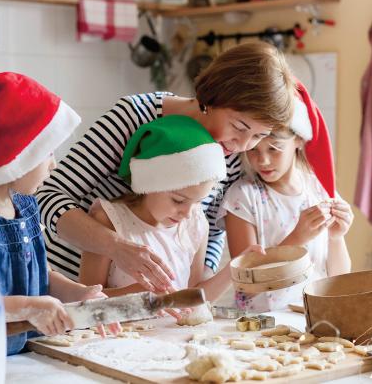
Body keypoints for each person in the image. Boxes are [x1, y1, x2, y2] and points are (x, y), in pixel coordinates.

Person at [36, 42, 298, 292]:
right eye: (240, 127)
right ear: (213, 96)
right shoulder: (133, 117)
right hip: (64, 283)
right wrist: (116, 247)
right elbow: (48, 197)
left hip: (148, 306)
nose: (243, 145)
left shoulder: (231, 154)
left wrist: (195, 286)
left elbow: (211, 229)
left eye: (258, 136)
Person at [0, 72, 119, 355]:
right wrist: (30, 307)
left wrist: (79, 295)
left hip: (22, 358)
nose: (53, 165)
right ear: (16, 154)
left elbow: (43, 275)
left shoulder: (26, 206)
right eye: (47, 153)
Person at [79, 116, 263, 306]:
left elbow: (193, 298)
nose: (187, 213)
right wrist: (139, 297)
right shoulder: (108, 222)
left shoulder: (196, 224)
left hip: (173, 335)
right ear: (150, 184)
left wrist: (234, 270)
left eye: (198, 201)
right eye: (178, 200)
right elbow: (84, 302)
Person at [217, 83, 353, 313]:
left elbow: (339, 279)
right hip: (261, 324)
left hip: (314, 317)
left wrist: (337, 238)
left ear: (298, 141)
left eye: (274, 149)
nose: (263, 161)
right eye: (254, 150)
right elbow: (244, 282)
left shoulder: (319, 189)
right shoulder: (242, 197)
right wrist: (296, 238)